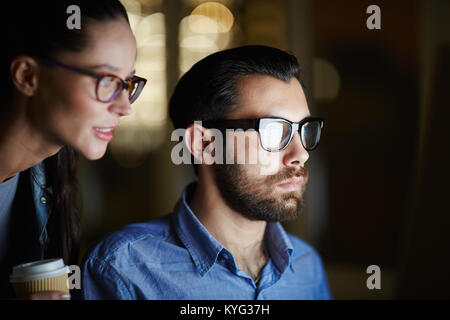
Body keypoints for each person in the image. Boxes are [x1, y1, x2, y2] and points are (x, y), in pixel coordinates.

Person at [81, 45, 331, 299]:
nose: (301, 154)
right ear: (205, 144)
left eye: (303, 129)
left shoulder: (307, 268)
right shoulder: (122, 270)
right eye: (275, 131)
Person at [0, 0, 146, 299]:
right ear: (28, 76)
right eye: (106, 81)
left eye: (127, 83)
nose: (124, 107)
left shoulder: (51, 180)